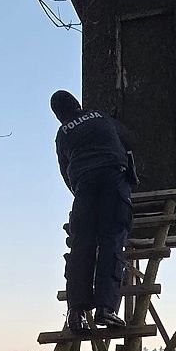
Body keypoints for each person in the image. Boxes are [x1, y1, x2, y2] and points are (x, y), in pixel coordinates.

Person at [51, 90, 136, 331]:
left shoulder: (63, 133)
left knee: (81, 246)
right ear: (77, 103)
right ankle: (106, 309)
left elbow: (65, 171)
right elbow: (129, 139)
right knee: (111, 240)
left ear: (59, 115)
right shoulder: (100, 117)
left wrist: (80, 190)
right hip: (113, 179)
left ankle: (76, 313)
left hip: (84, 187)